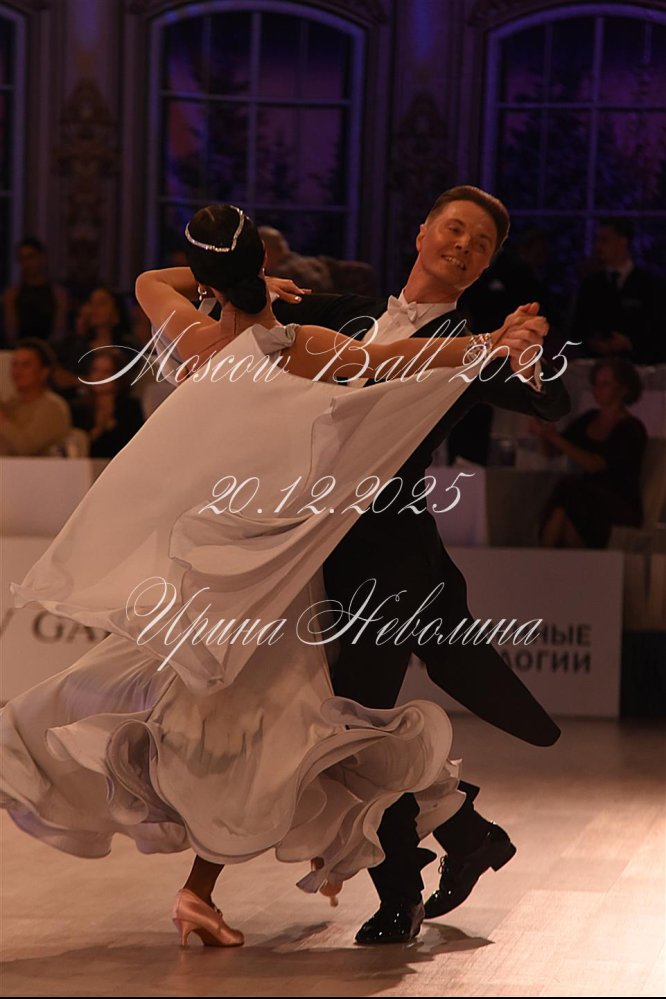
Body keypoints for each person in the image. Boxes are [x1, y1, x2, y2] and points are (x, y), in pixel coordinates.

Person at [1, 204, 533, 949]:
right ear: (262, 265)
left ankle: (223, 884)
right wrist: (490, 341)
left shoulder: (186, 331)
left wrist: (224, 278)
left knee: (259, 721)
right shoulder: (299, 343)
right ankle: (414, 841)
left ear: (207, 283)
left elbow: (152, 278)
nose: (464, 245)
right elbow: (391, 362)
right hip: (275, 565)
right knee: (291, 728)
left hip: (209, 560)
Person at [273, 185, 571, 943]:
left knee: (357, 727)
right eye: (454, 229)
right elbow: (252, 330)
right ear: (421, 233)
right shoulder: (345, 311)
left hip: (390, 561)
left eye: (481, 243)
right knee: (341, 726)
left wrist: (530, 357)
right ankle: (468, 835)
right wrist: (257, 289)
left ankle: (402, 891)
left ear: (486, 266)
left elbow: (552, 404)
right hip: (313, 550)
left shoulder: (475, 344)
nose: (463, 246)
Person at [535, 359, 647, 548]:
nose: (597, 389)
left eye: (605, 384)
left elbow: (595, 465)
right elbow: (553, 453)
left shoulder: (631, 428)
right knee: (569, 497)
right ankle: (554, 552)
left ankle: (546, 552)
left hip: (618, 501)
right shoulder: (588, 419)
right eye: (595, 383)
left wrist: (554, 438)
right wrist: (543, 433)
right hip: (584, 496)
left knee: (569, 490)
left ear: (623, 389)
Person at [571, 219, 665, 365]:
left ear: (623, 242)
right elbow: (577, 328)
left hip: (640, 366)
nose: (598, 246)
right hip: (596, 365)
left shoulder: (650, 285)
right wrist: (593, 343)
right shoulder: (590, 285)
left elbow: (658, 330)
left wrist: (630, 343)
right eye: (597, 240)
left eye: (605, 240)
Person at [54, 286, 140, 398]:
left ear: (116, 313)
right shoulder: (74, 345)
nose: (94, 309)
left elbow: (124, 382)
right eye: (91, 303)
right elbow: (60, 377)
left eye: (101, 304)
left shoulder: (129, 347)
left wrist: (80, 381)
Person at [0, 338, 72, 456]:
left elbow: (26, 448)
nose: (17, 371)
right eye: (15, 365)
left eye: (26, 365)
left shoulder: (52, 407)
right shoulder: (11, 405)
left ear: (44, 372)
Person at [70, 347, 144, 458]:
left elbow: (135, 445)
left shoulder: (130, 408)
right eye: (95, 370)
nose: (99, 376)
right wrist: (98, 430)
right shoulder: (79, 408)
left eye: (107, 372)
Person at [2, 238, 69, 347]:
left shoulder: (58, 294)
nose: (27, 263)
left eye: (31, 257)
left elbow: (59, 333)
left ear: (43, 258)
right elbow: (11, 334)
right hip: (19, 349)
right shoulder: (12, 294)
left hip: (50, 349)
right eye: (22, 259)